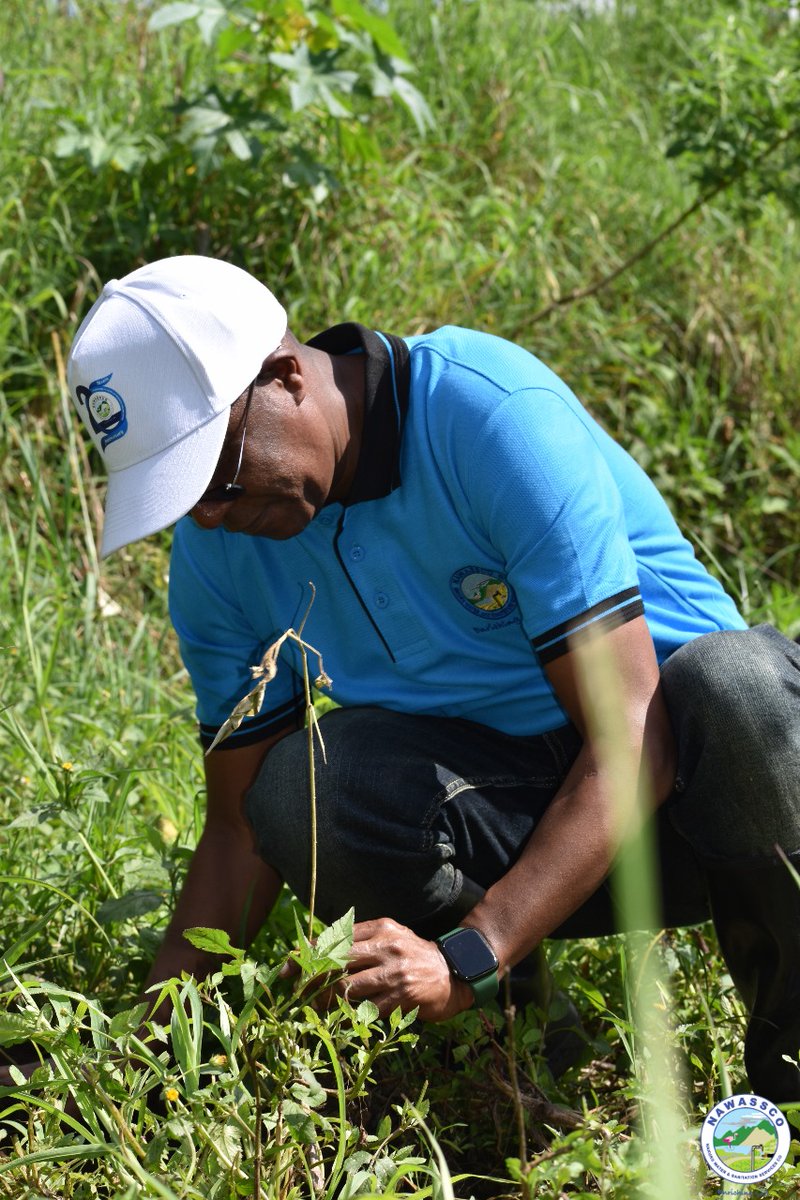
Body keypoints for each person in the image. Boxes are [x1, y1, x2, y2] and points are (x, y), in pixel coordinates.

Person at [63, 254, 800, 1102]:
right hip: (541, 825)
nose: (210, 515)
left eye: (215, 475)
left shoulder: (486, 418)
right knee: (300, 794)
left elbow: (633, 730)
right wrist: (143, 1060)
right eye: (181, 498)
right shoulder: (219, 553)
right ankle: (519, 1057)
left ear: (286, 376)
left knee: (731, 679)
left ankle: (790, 1081)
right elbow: (237, 834)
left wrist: (473, 946)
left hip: (725, 799)